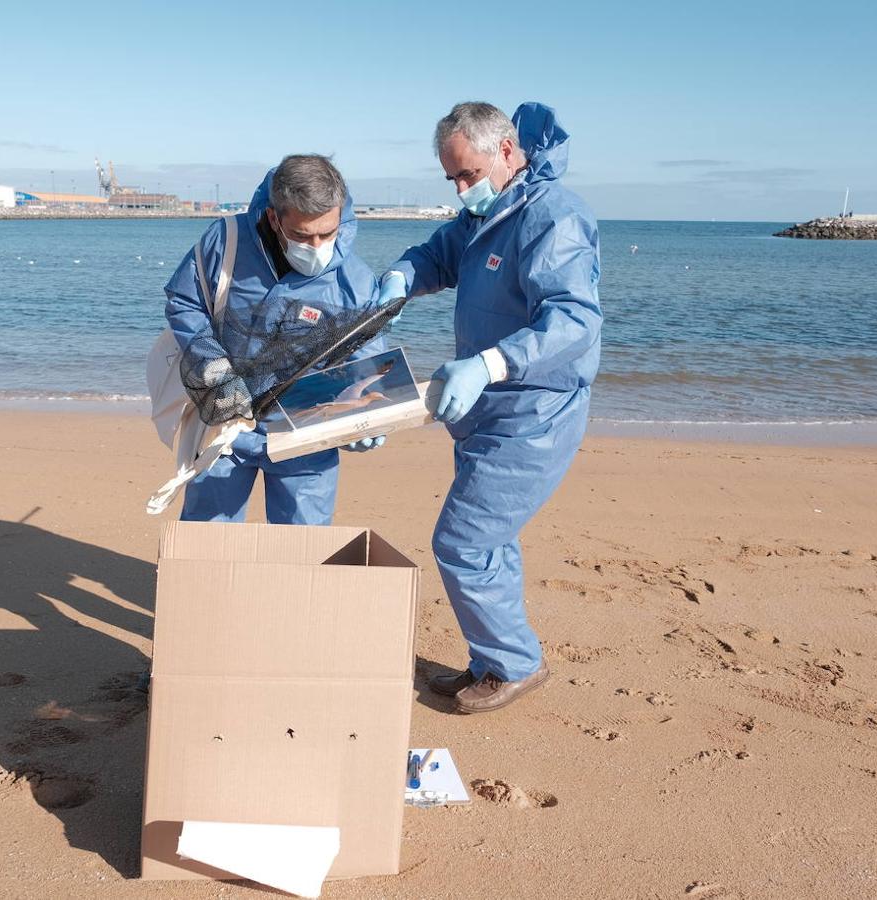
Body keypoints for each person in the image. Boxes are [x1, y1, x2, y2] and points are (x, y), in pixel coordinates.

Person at [379, 102, 602, 713]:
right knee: (490, 539)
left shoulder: (553, 218)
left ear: (506, 151)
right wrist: (404, 274)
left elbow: (575, 320)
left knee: (463, 540)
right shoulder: (489, 209)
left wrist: (488, 365)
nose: (459, 188)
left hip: (536, 408)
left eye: (465, 174)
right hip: (486, 409)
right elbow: (442, 253)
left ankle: (515, 663)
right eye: (450, 178)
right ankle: (491, 656)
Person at [163, 154, 386, 526]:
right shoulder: (226, 241)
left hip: (307, 431)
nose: (316, 245)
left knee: (304, 547)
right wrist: (215, 371)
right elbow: (186, 301)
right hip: (225, 423)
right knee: (206, 537)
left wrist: (366, 417)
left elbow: (366, 363)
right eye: (301, 235)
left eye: (328, 233)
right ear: (273, 218)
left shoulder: (357, 282)